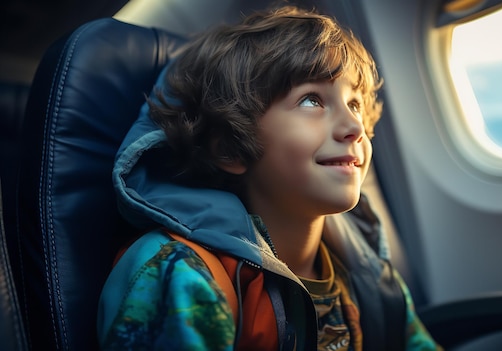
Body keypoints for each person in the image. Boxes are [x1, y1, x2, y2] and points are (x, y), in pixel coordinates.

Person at [97, 5, 440, 351]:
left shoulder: (364, 268)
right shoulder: (181, 274)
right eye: (311, 101)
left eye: (353, 104)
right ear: (231, 148)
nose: (355, 128)